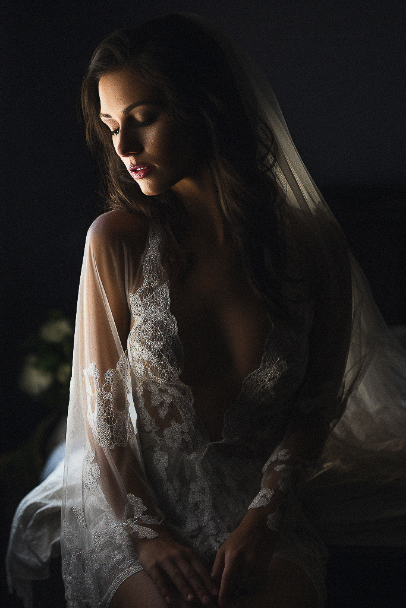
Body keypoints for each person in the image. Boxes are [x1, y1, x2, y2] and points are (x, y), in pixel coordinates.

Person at [7, 12, 406, 608]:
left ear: (206, 107)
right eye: (112, 125)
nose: (124, 148)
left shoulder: (311, 245)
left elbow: (314, 408)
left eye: (143, 119)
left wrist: (263, 520)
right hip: (139, 508)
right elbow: (107, 424)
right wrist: (149, 539)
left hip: (261, 512)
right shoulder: (116, 240)